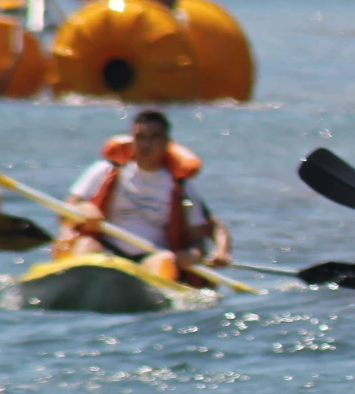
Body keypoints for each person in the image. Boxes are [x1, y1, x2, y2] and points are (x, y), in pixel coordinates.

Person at [62, 110, 231, 283]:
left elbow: (201, 235)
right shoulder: (106, 170)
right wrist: (83, 208)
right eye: (140, 137)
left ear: (166, 143)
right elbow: (66, 210)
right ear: (132, 140)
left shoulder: (180, 185)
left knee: (164, 260)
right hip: (107, 249)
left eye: (154, 137)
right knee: (85, 245)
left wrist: (194, 254)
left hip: (152, 256)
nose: (146, 144)